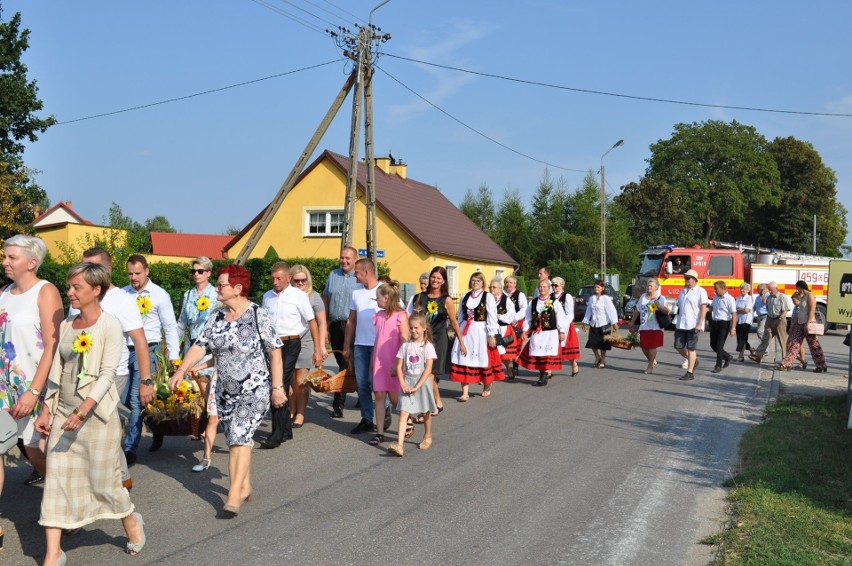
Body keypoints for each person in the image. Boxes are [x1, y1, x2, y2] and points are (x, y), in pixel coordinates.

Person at [35, 262, 146, 565]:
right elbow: (58, 369)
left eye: (76, 288)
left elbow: (108, 373)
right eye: (68, 287)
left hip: (97, 417)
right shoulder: (67, 326)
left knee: (103, 481)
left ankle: (131, 522)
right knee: (56, 479)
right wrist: (47, 408)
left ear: (96, 290)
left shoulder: (109, 324)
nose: (69, 292)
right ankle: (53, 552)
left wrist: (83, 411)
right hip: (63, 413)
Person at [171, 264, 284, 515]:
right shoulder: (217, 316)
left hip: (255, 389)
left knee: (240, 435)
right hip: (224, 391)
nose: (217, 289)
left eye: (221, 285)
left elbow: (275, 353)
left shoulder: (258, 315)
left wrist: (277, 388)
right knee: (237, 437)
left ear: (238, 288)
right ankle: (244, 485)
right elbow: (200, 346)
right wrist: (181, 370)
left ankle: (233, 495)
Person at [75, 247, 155, 486]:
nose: (84, 273)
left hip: (112, 375)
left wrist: (146, 381)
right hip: (82, 374)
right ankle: (121, 478)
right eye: (82, 267)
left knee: (95, 425)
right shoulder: (78, 295)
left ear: (107, 270)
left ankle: (113, 481)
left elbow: (140, 341)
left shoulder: (121, 300)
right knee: (100, 428)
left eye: (91, 268)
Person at [0, 235, 62, 491]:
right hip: (4, 390)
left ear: (32, 262)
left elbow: (53, 345)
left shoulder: (45, 292)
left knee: (35, 451)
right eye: (5, 256)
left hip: (34, 388)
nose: (5, 262)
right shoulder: (3, 293)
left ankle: (67, 503)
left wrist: (34, 392)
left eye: (12, 257)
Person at [122, 254, 180, 459]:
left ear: (147, 271)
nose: (133, 277)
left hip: (149, 349)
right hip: (124, 350)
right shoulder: (123, 294)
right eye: (130, 274)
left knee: (138, 400)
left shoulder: (159, 294)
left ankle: (130, 449)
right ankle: (156, 426)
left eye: (137, 273)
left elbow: (170, 326)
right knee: (125, 398)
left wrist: (175, 357)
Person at [259, 262, 320, 449]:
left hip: (291, 342)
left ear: (288, 278)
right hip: (272, 344)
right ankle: (286, 428)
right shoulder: (267, 297)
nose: (275, 282)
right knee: (275, 384)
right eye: (273, 278)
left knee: (279, 385)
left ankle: (276, 434)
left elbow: (312, 322)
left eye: (279, 278)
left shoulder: (299, 296)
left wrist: (318, 348)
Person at [176, 256, 220, 469]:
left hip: (210, 348)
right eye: (193, 270)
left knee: (205, 387)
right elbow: (181, 323)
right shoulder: (187, 295)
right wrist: (174, 350)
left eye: (200, 271)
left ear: (209, 273)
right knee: (193, 387)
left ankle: (207, 422)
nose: (196, 274)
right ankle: (199, 423)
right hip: (192, 346)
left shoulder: (216, 295)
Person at [407, 267, 462, 413]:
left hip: (439, 339)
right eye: (433, 277)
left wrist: (461, 343)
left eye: (438, 278)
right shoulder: (421, 297)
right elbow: (414, 318)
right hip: (424, 339)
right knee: (425, 372)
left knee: (429, 373)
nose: (435, 280)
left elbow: (454, 323)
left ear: (443, 281)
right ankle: (437, 402)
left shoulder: (447, 300)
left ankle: (431, 405)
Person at [343, 258, 386, 433]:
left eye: (357, 273)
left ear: (366, 272)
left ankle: (385, 412)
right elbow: (351, 320)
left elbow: (399, 316)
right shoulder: (356, 291)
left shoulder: (384, 290)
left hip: (380, 346)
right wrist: (347, 345)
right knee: (362, 383)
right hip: (361, 344)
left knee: (376, 383)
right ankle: (367, 419)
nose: (355, 276)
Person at [449, 272, 503, 400]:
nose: (475, 283)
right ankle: (465, 392)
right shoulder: (465, 296)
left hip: (481, 331)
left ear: (483, 283)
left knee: (484, 359)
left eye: (478, 281)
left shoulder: (487, 296)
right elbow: (461, 316)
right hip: (466, 331)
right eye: (473, 280)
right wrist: (458, 332)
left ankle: (486, 386)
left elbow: (491, 316)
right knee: (464, 359)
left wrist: (491, 334)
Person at [388, 314, 437, 457]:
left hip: (422, 382)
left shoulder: (427, 347)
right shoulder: (405, 346)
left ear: (424, 328)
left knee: (425, 411)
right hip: (408, 382)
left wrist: (418, 386)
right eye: (411, 328)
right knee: (403, 413)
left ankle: (427, 435)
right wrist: (403, 383)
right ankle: (400, 445)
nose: (414, 331)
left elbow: (428, 369)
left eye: (416, 328)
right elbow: (398, 367)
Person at [369, 283, 409, 447]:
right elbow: (377, 340)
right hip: (379, 361)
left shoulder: (401, 315)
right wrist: (372, 360)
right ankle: (380, 433)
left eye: (377, 297)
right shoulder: (378, 315)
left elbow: (404, 340)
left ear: (386, 298)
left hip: (394, 362)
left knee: (394, 399)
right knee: (378, 396)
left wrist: (398, 364)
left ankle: (407, 418)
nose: (376, 300)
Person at [289, 264, 328, 428]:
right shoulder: (286, 296)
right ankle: (291, 408)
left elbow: (321, 322)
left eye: (303, 280)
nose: (300, 283)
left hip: (306, 342)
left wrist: (321, 347)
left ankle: (300, 413)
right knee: (289, 380)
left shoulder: (314, 296)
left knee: (300, 380)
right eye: (296, 280)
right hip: (287, 342)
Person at [322, 246, 358, 418]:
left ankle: (338, 404)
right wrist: (325, 325)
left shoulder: (359, 278)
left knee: (345, 363)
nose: (344, 261)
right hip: (335, 325)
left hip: (352, 326)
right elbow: (326, 298)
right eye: (342, 258)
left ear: (355, 260)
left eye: (347, 258)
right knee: (346, 363)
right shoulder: (333, 275)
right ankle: (359, 388)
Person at [518, 279, 567, 386]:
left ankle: (544, 376)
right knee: (538, 354)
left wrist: (562, 331)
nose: (542, 289)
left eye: (544, 287)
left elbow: (560, 317)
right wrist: (525, 329)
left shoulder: (554, 302)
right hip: (537, 332)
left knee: (547, 355)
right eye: (540, 287)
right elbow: (528, 317)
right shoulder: (533, 302)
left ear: (549, 289)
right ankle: (542, 374)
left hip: (550, 333)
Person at [778, 281, 828, 373]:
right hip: (800, 323)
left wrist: (807, 323)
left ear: (801, 287)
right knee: (794, 344)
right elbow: (801, 311)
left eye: (797, 288)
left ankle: (821, 365)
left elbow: (812, 310)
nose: (797, 290)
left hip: (808, 323)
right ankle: (787, 363)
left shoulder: (810, 295)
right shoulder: (803, 297)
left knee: (814, 346)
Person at [674, 270, 710, 381]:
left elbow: (704, 308)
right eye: (685, 278)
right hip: (681, 323)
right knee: (678, 346)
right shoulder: (683, 291)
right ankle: (694, 360)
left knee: (691, 348)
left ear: (694, 279)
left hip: (693, 324)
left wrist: (700, 323)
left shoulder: (700, 291)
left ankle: (690, 372)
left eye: (688, 278)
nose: (686, 280)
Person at [629, 278, 669, 374]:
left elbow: (667, 311)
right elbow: (637, 310)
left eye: (651, 286)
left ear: (656, 287)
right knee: (643, 346)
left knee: (652, 347)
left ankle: (650, 366)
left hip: (655, 327)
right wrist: (632, 321)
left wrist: (659, 306)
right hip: (644, 326)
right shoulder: (643, 297)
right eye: (648, 285)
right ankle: (652, 360)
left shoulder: (661, 298)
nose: (648, 287)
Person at [749, 282, 791, 363]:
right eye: (769, 290)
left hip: (779, 321)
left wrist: (779, 320)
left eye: (771, 290)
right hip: (769, 320)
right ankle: (758, 356)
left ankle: (785, 361)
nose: (770, 292)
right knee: (765, 339)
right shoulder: (769, 298)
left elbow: (785, 310)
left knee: (782, 341)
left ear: (776, 289)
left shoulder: (782, 297)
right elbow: (767, 309)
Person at [580, 280, 620, 369]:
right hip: (594, 323)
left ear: (602, 288)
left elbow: (611, 310)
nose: (596, 288)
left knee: (603, 344)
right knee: (592, 342)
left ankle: (602, 361)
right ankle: (597, 357)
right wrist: (585, 322)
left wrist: (614, 322)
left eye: (598, 287)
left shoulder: (606, 298)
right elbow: (588, 311)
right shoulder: (592, 298)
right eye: (595, 287)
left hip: (604, 324)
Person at [489, 278, 518, 381]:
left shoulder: (506, 300)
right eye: (490, 287)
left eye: (494, 287)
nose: (491, 289)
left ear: (500, 289)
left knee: (503, 355)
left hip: (503, 328)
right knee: (490, 352)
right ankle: (488, 374)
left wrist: (500, 317)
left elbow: (512, 315)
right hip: (490, 329)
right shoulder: (487, 299)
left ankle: (508, 368)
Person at [553, 277, 580, 376]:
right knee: (552, 348)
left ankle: (574, 364)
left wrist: (563, 326)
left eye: (556, 285)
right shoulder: (550, 296)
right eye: (552, 285)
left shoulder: (566, 296)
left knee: (567, 349)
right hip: (552, 326)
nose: (553, 287)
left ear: (562, 286)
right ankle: (549, 370)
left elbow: (570, 314)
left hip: (566, 325)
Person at [709, 281, 737, 373]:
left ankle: (718, 365)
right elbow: (711, 308)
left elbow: (734, 313)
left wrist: (733, 328)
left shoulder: (730, 299)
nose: (715, 291)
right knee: (713, 345)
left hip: (724, 324)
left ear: (723, 288)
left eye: (716, 289)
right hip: (715, 322)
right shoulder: (716, 297)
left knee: (719, 345)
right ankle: (727, 357)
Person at [503, 275, 527, 379]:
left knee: (517, 345)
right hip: (505, 323)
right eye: (507, 282)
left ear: (515, 284)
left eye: (511, 282)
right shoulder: (502, 294)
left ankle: (515, 365)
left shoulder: (520, 295)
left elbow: (524, 309)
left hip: (517, 323)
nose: (508, 284)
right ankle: (509, 365)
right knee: (506, 345)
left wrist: (516, 318)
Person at [735, 283, 755, 362]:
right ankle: (751, 349)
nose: (742, 290)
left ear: (748, 290)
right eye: (741, 288)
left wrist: (739, 310)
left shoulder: (749, 298)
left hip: (746, 320)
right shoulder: (738, 298)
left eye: (744, 289)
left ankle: (741, 355)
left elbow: (746, 310)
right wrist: (741, 310)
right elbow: (734, 310)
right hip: (739, 320)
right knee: (739, 337)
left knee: (742, 338)